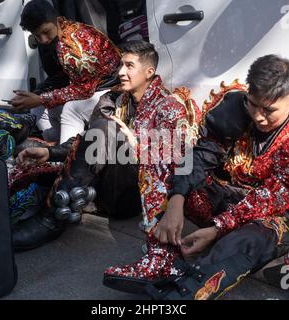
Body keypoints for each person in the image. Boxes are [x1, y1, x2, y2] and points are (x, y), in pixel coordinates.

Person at [103, 54, 289, 300]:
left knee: (250, 239)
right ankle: (162, 258)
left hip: (271, 215)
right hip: (227, 200)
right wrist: (177, 199)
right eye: (253, 104)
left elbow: (275, 196)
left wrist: (216, 229)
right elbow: (200, 157)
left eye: (269, 110)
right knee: (161, 153)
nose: (258, 116)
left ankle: (183, 295)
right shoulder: (236, 110)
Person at [13, 40, 198, 254]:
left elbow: (182, 163)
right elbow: (90, 139)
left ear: (149, 72)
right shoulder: (115, 99)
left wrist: (175, 205)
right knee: (30, 155)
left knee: (106, 127)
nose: (120, 72)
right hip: (103, 187)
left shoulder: (168, 106)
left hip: (136, 198)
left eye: (129, 66)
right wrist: (50, 152)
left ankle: (50, 220)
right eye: (121, 65)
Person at [10, 0, 121, 144]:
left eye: (46, 32)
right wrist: (38, 95)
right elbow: (60, 77)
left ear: (56, 20)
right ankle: (55, 143)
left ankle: (65, 152)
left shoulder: (72, 44)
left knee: (70, 109)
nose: (43, 40)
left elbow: (84, 90)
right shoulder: (63, 31)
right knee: (39, 109)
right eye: (37, 36)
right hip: (94, 88)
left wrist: (41, 98)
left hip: (111, 89)